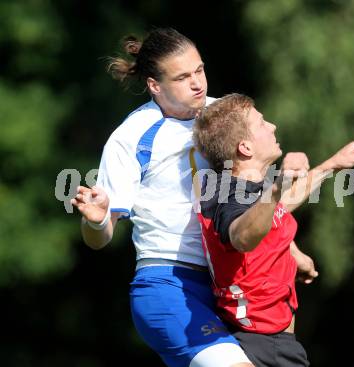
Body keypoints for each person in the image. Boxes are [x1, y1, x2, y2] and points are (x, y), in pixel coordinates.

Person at [71, 28, 254, 367]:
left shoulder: (230, 117)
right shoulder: (132, 136)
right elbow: (100, 238)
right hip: (168, 284)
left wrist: (291, 251)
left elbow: (258, 195)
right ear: (155, 86)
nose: (198, 82)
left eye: (199, 70)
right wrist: (95, 221)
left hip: (234, 281)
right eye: (183, 77)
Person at [193, 93, 354, 367]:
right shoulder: (228, 196)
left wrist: (332, 165)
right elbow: (242, 236)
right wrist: (277, 187)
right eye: (261, 124)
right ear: (245, 147)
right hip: (264, 347)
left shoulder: (241, 189)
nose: (272, 126)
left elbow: (276, 206)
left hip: (267, 342)